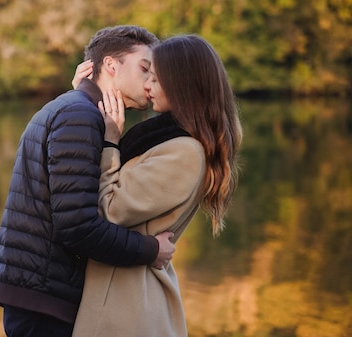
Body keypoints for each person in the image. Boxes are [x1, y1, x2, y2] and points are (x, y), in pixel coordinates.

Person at [0, 25, 177, 337]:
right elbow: (76, 224)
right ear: (111, 65)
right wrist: (148, 250)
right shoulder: (79, 115)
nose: (150, 82)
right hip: (45, 303)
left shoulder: (76, 109)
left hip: (41, 295)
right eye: (144, 69)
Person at [70, 34, 243, 337]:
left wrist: (111, 141)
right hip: (119, 291)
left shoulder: (185, 153)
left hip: (127, 304)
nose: (148, 86)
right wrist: (85, 98)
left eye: (156, 79)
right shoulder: (164, 139)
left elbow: (111, 209)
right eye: (147, 74)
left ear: (183, 86)